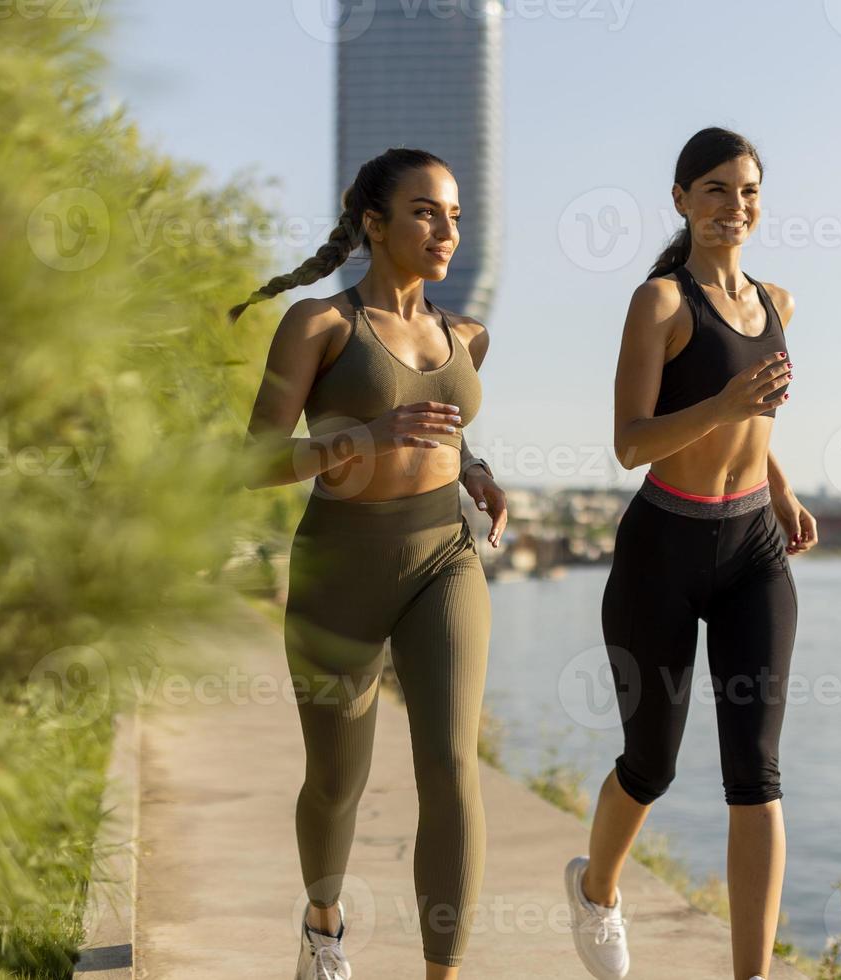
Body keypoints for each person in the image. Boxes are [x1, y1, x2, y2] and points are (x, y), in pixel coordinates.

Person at [232, 147, 507, 979]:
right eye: (426, 211)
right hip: (340, 568)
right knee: (334, 784)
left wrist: (480, 473)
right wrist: (357, 439)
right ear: (374, 224)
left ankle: (442, 970)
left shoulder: (468, 335)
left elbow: (448, 437)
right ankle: (323, 925)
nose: (446, 229)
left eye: (455, 213)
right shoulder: (320, 324)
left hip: (444, 558)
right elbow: (250, 463)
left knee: (452, 767)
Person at [565, 127, 818, 980]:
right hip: (662, 550)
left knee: (758, 774)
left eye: (747, 191)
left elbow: (757, 415)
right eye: (714, 189)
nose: (732, 206)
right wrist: (724, 405)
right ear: (680, 199)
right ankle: (597, 888)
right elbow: (631, 442)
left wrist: (777, 483)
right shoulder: (661, 304)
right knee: (651, 766)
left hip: (753, 548)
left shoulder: (779, 300)